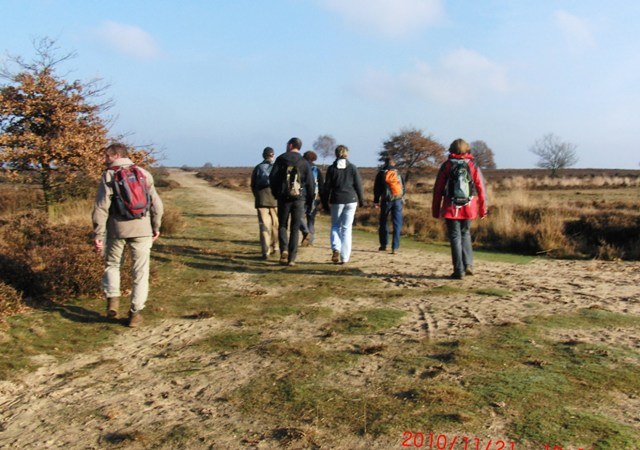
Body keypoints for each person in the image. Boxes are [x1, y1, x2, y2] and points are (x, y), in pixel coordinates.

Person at [92, 143, 164, 327]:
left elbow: (101, 207)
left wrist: (98, 233)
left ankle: (113, 303)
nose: (104, 160)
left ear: (116, 155)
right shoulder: (144, 173)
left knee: (113, 265)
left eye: (107, 156)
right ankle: (135, 313)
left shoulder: (109, 175)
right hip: (143, 229)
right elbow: (157, 204)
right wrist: (156, 226)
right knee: (141, 272)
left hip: (117, 229)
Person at [432, 138, 487, 279]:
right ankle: (468, 264)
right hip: (469, 206)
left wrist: (436, 210)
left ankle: (458, 270)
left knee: (455, 237)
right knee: (465, 233)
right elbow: (481, 188)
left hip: (451, 206)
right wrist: (483, 209)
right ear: (466, 149)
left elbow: (438, 189)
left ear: (451, 149)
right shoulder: (472, 165)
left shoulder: (447, 165)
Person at [269, 137, 315, 266]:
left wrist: (276, 193)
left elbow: (272, 178)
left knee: (283, 225)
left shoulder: (280, 159)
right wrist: (309, 200)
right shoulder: (304, 162)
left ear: (290, 145)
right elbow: (310, 183)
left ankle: (283, 250)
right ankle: (292, 258)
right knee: (295, 228)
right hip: (299, 198)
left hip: (283, 198)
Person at [321, 145, 364, 264]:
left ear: (336, 154)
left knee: (335, 226)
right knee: (346, 229)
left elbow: (327, 187)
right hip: (351, 199)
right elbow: (358, 185)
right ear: (347, 154)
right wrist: (361, 200)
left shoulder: (331, 169)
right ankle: (345, 257)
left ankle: (336, 248)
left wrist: (324, 203)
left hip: (337, 200)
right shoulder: (352, 168)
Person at [251, 147, 279, 259]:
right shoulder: (277, 167)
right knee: (276, 225)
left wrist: (257, 196)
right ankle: (276, 247)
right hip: (275, 200)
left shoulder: (258, 168)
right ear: (273, 155)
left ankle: (265, 251)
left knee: (264, 226)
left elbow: (253, 185)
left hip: (261, 200)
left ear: (263, 155)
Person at [373, 157, 405, 254]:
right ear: (394, 163)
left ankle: (383, 244)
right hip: (397, 200)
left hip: (386, 200)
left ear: (385, 163)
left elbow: (377, 188)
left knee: (383, 222)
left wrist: (376, 200)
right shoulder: (398, 173)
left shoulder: (381, 173)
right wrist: (402, 197)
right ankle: (395, 247)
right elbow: (403, 187)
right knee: (397, 223)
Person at [299, 150, 324, 247]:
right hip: (314, 197)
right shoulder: (317, 170)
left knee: (299, 217)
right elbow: (321, 185)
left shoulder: (301, 168)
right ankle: (310, 240)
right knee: (311, 219)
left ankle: (306, 232)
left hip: (302, 196)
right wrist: (322, 199)